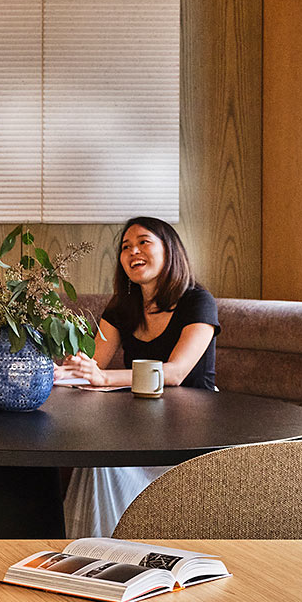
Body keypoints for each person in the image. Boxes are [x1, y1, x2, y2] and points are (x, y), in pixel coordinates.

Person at [58, 216, 220, 537]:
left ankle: (110, 544)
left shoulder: (198, 301)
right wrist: (59, 372)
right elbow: (92, 366)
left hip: (192, 436)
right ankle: (91, 552)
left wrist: (103, 380)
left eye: (144, 242)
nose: (133, 251)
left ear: (169, 250)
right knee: (96, 455)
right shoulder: (122, 306)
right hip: (138, 429)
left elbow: (175, 373)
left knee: (101, 455)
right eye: (126, 247)